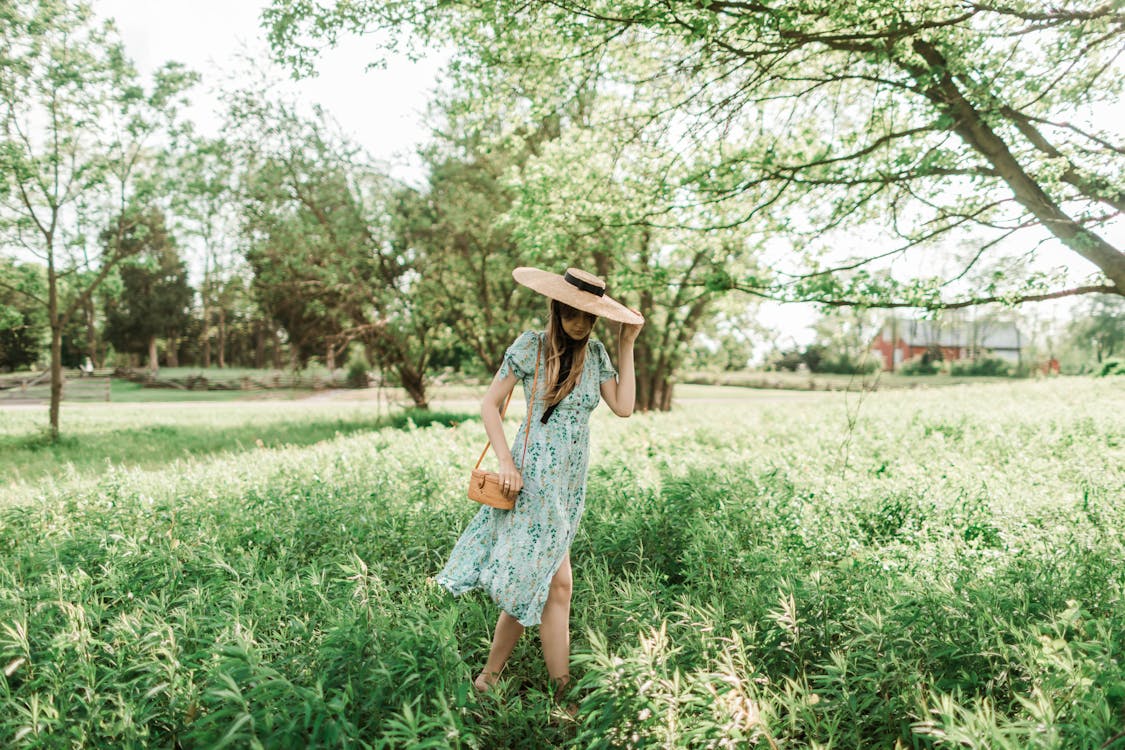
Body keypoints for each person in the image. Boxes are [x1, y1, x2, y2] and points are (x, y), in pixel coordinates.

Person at [434, 266, 644, 708]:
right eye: (574, 312)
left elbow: (624, 406)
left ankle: (493, 680)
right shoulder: (531, 347)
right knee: (555, 581)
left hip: (569, 485)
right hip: (531, 480)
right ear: (557, 306)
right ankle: (555, 689)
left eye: (591, 316)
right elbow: (489, 405)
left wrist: (626, 344)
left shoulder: (599, 354)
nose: (581, 323)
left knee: (548, 582)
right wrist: (505, 463)